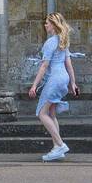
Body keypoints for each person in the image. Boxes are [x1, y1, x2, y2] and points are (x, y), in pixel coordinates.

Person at [28, 12, 78, 161]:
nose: (45, 25)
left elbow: (44, 66)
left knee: (42, 113)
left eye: (47, 23)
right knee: (51, 114)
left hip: (55, 80)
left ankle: (61, 144)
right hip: (63, 78)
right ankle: (57, 148)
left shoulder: (50, 42)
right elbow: (69, 65)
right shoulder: (63, 41)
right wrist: (73, 84)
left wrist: (34, 86)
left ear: (54, 25)